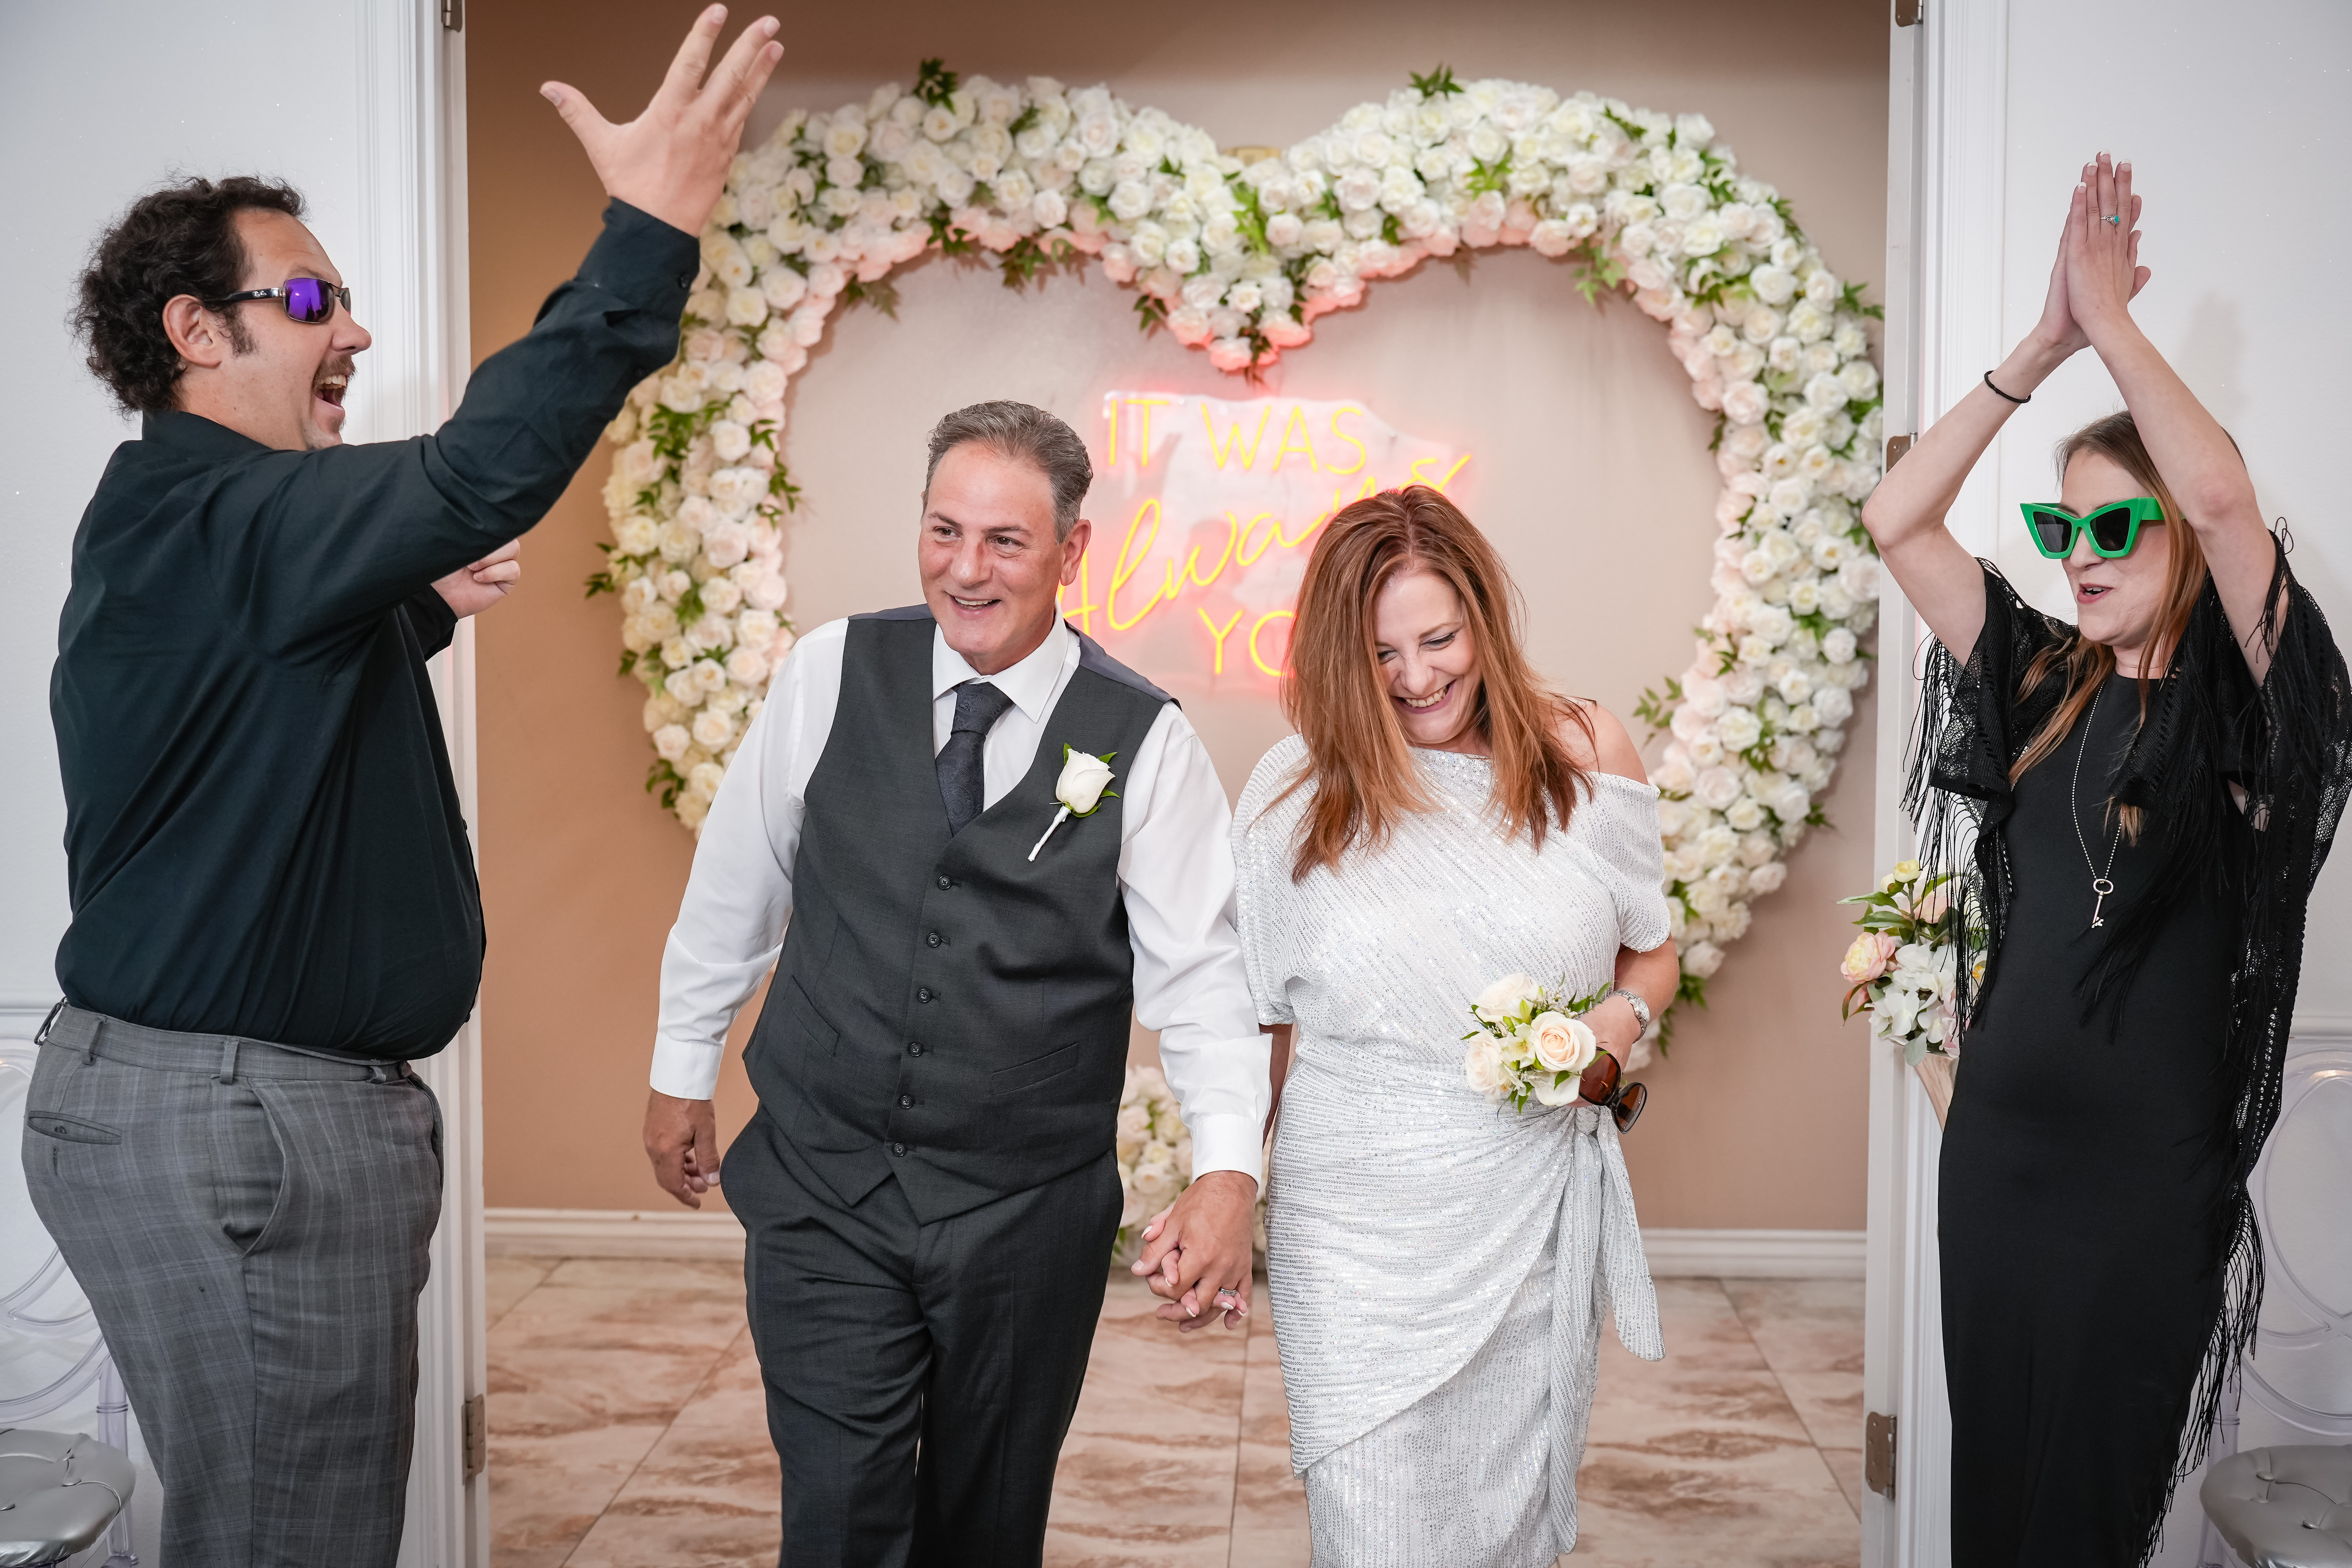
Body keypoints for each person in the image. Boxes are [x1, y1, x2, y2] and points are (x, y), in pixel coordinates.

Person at [22, 11, 782, 1562]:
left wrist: (412, 605)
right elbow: (475, 468)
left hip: (233, 1103)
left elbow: (241, 733)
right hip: (238, 1120)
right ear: (195, 333)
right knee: (292, 1543)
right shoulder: (223, 512)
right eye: (309, 300)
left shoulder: (202, 534)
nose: (351, 333)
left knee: (286, 1530)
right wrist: (650, 231)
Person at [642, 398, 1270, 1562]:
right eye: (943, 531)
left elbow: (1203, 980)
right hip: (825, 1184)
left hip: (1026, 1211)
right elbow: (738, 884)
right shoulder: (831, 669)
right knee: (838, 1514)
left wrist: (1228, 1173)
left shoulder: (1147, 739)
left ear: (1072, 552)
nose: (964, 571)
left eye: (1003, 542)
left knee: (984, 1528)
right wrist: (682, 1068)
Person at [1862, 154, 2351, 1567]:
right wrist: (2041, 346)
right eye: (2059, 524)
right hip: (1998, 1165)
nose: (2079, 551)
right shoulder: (2032, 681)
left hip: (2143, 1186)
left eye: (2110, 523)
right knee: (1995, 1511)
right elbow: (1896, 519)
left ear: (2180, 548)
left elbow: (2216, 501)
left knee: (2083, 1518)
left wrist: (2118, 329)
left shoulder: (2258, 712)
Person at [1228, 484, 1679, 1564]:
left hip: (1525, 1216)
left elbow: (1652, 947)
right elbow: (1264, 1024)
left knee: (1505, 1531)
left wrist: (1611, 1026)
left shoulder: (1583, 748)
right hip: (1351, 1231)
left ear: (1484, 617)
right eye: (1381, 653)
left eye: (1439, 638)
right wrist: (1226, 1180)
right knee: (1371, 1530)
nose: (1417, 675)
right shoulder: (1293, 792)